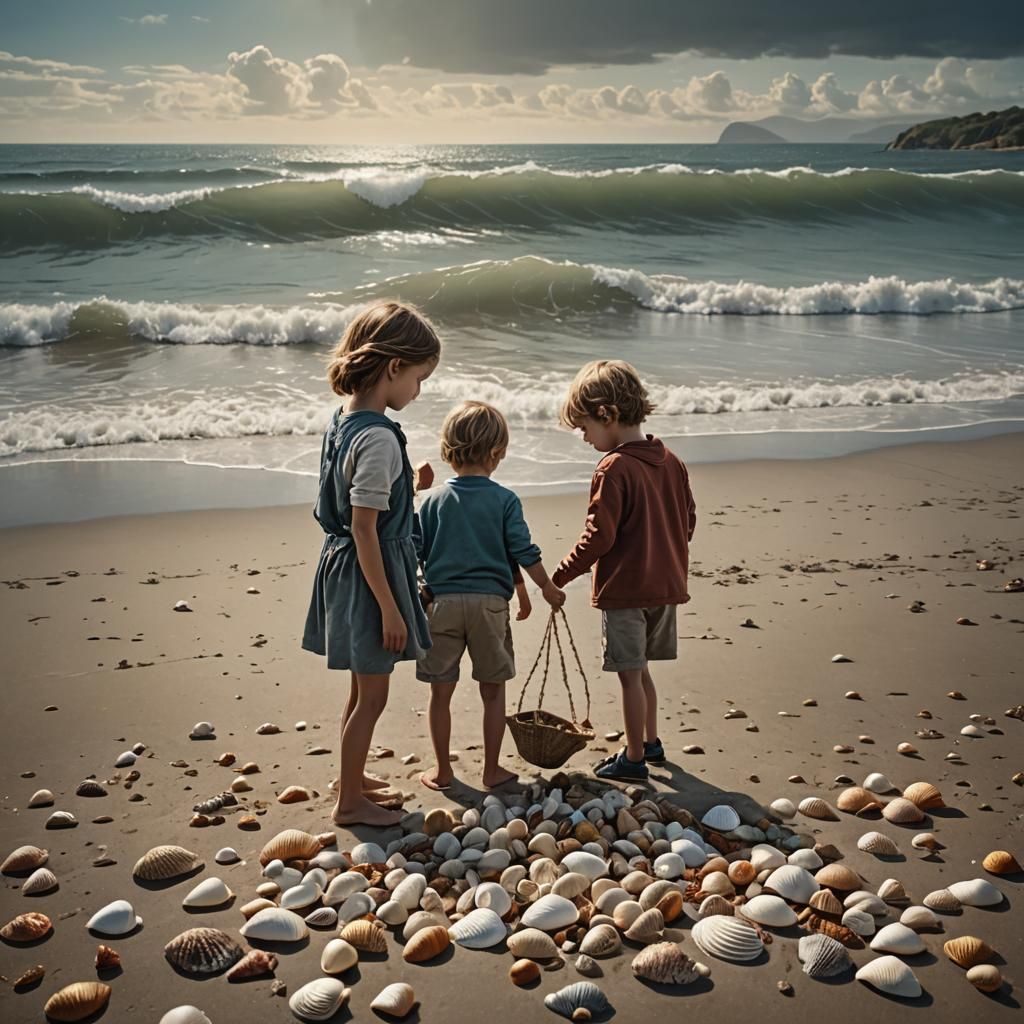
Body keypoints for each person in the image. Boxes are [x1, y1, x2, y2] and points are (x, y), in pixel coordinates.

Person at [302, 301, 441, 827]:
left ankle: (352, 778)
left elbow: (355, 496)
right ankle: (349, 805)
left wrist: (410, 483)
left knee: (361, 687)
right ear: (392, 368)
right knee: (374, 694)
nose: (419, 391)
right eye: (420, 378)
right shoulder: (380, 437)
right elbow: (366, 528)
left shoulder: (345, 421)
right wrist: (390, 609)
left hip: (341, 565)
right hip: (369, 576)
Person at [551, 360, 696, 781]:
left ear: (606, 414)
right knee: (642, 670)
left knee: (629, 677)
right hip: (666, 587)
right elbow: (687, 522)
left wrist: (560, 574)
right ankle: (651, 741)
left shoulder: (613, 468)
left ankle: (633, 758)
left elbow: (599, 537)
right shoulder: (671, 461)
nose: (584, 438)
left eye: (584, 428)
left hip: (627, 591)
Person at [415, 400, 565, 791]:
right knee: (493, 690)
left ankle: (443, 772)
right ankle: (491, 770)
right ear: (497, 453)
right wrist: (546, 587)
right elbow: (522, 550)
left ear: (448, 448)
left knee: (440, 692)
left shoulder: (430, 501)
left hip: (442, 604)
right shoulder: (504, 500)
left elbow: (413, 552)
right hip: (489, 605)